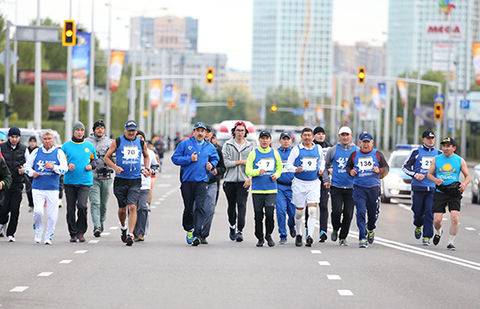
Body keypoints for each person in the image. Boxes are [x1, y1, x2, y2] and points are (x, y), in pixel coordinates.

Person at [171, 122, 219, 246]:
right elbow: (175, 158)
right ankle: (189, 229)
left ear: (205, 133)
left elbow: (215, 158)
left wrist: (211, 165)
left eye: (202, 131)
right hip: (187, 181)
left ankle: (197, 234)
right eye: (198, 130)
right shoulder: (185, 144)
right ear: (194, 132)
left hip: (202, 181)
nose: (200, 133)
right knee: (188, 208)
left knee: (200, 207)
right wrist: (189, 159)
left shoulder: (209, 146)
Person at [104, 120, 150, 247]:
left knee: (133, 206)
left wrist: (146, 168)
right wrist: (115, 167)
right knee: (122, 209)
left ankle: (130, 234)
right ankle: (123, 227)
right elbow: (106, 157)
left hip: (135, 179)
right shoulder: (118, 141)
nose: (131, 133)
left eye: (133, 130)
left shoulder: (141, 142)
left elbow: (146, 156)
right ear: (125, 130)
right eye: (129, 130)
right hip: (121, 180)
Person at [427, 137, 471, 251]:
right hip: (440, 191)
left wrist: (465, 184)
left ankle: (451, 242)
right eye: (443, 146)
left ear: (454, 148)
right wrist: (436, 180)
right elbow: (429, 175)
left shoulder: (459, 160)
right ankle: (439, 231)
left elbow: (468, 176)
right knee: (437, 220)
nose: (445, 148)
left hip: (454, 192)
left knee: (455, 218)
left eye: (448, 146)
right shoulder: (436, 159)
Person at [346, 132, 389, 248]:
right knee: (360, 212)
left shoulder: (378, 154)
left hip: (373, 188)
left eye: (368, 142)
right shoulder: (354, 155)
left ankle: (370, 229)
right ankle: (362, 238)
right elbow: (348, 167)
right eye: (363, 142)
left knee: (372, 213)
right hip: (359, 188)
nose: (366, 144)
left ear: (372, 143)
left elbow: (386, 168)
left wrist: (379, 170)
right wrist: (351, 172)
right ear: (359, 143)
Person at [25, 130, 68, 245]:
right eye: (45, 139)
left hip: (53, 188)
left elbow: (65, 169)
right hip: (38, 187)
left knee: (52, 215)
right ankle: (38, 231)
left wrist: (54, 167)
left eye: (49, 139)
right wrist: (32, 172)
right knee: (38, 212)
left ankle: (49, 236)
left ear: (53, 140)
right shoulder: (36, 152)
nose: (47, 141)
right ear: (42, 140)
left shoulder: (59, 152)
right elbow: (27, 167)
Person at [402, 129, 441, 245]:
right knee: (418, 212)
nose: (430, 140)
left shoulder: (438, 154)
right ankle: (418, 225)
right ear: (423, 139)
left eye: (432, 138)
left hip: (432, 188)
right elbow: (405, 167)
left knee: (429, 212)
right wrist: (415, 174)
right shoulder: (416, 152)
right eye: (428, 138)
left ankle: (427, 236)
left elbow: (442, 170)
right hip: (418, 188)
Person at [287, 127, 324, 247]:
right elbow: (288, 165)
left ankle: (310, 236)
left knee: (313, 210)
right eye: (305, 135)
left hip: (313, 183)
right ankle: (299, 234)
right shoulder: (296, 150)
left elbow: (322, 161)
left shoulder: (318, 148)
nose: (307, 137)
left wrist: (321, 169)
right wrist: (295, 169)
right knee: (299, 213)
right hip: (299, 183)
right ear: (301, 137)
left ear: (313, 137)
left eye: (309, 135)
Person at [246, 131, 282, 247]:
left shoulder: (275, 153)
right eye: (262, 138)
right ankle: (260, 237)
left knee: (270, 215)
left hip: (271, 190)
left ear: (270, 140)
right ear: (259, 140)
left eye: (267, 138)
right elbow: (248, 170)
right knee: (258, 215)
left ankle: (269, 235)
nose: (264, 140)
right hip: (257, 190)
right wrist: (257, 172)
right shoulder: (253, 153)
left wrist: (276, 175)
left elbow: (279, 168)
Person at [62, 122, 97, 243]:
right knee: (70, 209)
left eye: (82, 130)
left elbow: (95, 161)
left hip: (85, 181)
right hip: (69, 182)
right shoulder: (66, 146)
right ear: (73, 131)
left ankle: (81, 232)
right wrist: (66, 165)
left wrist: (90, 166)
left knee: (82, 206)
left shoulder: (89, 146)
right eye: (77, 130)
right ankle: (73, 233)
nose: (79, 132)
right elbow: (60, 162)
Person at [323, 126, 356, 246]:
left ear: (351, 136)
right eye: (343, 135)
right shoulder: (333, 150)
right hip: (336, 186)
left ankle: (343, 237)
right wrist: (326, 179)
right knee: (336, 211)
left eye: (347, 135)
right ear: (339, 136)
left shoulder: (356, 150)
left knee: (348, 214)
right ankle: (336, 228)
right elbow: (325, 166)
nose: (345, 137)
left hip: (352, 187)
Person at [222, 121, 254, 242]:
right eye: (238, 130)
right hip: (229, 180)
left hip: (243, 181)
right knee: (231, 205)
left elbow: (252, 164)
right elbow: (227, 163)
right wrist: (240, 162)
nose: (240, 133)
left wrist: (250, 178)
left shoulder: (250, 146)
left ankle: (240, 230)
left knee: (242, 205)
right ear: (234, 131)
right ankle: (232, 226)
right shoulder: (227, 145)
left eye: (242, 130)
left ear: (245, 132)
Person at [86, 120, 113, 238]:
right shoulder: (87, 142)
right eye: (97, 128)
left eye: (102, 128)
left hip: (106, 176)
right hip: (92, 176)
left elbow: (115, 158)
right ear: (94, 130)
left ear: (105, 130)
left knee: (103, 203)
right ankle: (96, 226)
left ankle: (101, 221)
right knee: (95, 202)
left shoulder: (111, 142)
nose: (100, 130)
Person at [0, 127, 27, 242]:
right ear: (8, 137)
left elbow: (28, 164)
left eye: (16, 137)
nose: (14, 139)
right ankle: (2, 222)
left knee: (15, 209)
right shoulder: (2, 147)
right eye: (12, 137)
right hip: (5, 184)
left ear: (19, 137)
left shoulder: (24, 149)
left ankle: (11, 233)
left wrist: (24, 169)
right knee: (3, 208)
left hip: (17, 183)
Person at [201, 127, 226, 244]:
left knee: (209, 209)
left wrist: (217, 171)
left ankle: (203, 234)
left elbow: (223, 167)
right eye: (203, 132)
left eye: (208, 133)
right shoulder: (194, 147)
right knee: (196, 208)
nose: (205, 134)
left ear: (211, 135)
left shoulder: (216, 149)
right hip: (197, 183)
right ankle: (195, 231)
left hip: (212, 182)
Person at [133, 131, 158, 242]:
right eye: (137, 138)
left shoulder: (150, 153)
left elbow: (155, 166)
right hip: (132, 184)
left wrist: (150, 171)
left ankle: (140, 232)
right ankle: (132, 231)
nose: (140, 140)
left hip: (145, 185)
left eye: (141, 138)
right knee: (132, 208)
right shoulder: (130, 152)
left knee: (143, 207)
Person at [276, 132, 296, 244]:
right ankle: (283, 235)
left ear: (291, 141)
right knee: (281, 211)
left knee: (293, 214)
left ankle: (291, 226)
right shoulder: (276, 153)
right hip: (279, 187)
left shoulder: (295, 152)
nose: (285, 141)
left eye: (288, 139)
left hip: (293, 187)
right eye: (283, 139)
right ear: (280, 141)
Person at [312, 126, 332, 242]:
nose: (320, 135)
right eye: (318, 133)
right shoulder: (310, 147)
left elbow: (333, 162)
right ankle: (308, 230)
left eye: (322, 134)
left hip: (325, 181)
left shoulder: (330, 148)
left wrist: (330, 169)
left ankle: (323, 231)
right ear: (314, 135)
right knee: (311, 207)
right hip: (312, 180)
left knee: (324, 206)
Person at [25, 136, 39, 213]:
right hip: (28, 172)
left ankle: (37, 205)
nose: (32, 143)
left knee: (36, 190)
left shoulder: (39, 150)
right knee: (28, 190)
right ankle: (31, 205)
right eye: (31, 141)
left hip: (36, 173)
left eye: (34, 141)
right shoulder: (26, 150)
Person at [0, 153, 12, 237]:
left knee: (3, 210)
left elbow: (8, 176)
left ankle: (2, 223)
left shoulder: (0, 160)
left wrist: (3, 183)